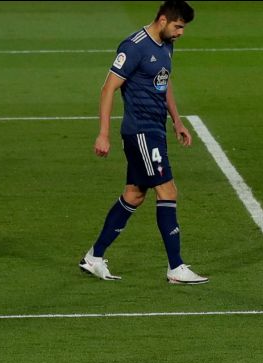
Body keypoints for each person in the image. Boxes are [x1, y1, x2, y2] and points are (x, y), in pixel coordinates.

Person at [78, 0, 208, 284]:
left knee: (134, 195)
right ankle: (176, 267)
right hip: (141, 132)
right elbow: (108, 88)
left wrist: (177, 120)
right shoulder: (134, 47)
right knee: (168, 190)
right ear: (163, 20)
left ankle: (94, 257)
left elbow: (163, 81)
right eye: (178, 26)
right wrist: (103, 133)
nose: (181, 33)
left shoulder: (166, 44)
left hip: (155, 129)